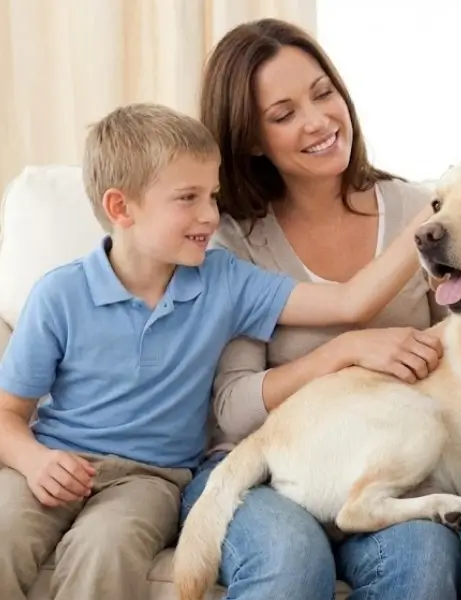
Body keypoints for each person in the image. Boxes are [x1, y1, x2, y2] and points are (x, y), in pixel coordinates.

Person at [0, 102, 431, 600]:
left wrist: (436, 211)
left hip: (148, 480)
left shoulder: (223, 280)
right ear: (121, 208)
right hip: (51, 458)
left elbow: (350, 302)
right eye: (188, 198)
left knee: (104, 549)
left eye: (212, 195)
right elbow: (8, 414)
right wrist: (35, 461)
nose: (210, 215)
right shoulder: (59, 295)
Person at [177, 19, 461, 600]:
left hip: (378, 468)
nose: (318, 121)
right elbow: (234, 409)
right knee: (291, 563)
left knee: (426, 561)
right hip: (259, 469)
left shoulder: (421, 207)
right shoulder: (232, 240)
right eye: (284, 114)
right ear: (251, 139)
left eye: (323, 93)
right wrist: (344, 352)